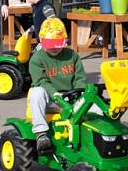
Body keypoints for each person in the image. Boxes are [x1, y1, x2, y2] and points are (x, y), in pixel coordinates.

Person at [28, 17, 87, 154]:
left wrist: (80, 94)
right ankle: (41, 133)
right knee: (36, 93)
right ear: (42, 41)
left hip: (71, 97)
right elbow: (41, 81)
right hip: (49, 98)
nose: (54, 48)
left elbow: (80, 78)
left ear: (65, 41)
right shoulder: (37, 59)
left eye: (58, 43)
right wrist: (55, 95)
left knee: (96, 106)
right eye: (50, 43)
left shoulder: (72, 56)